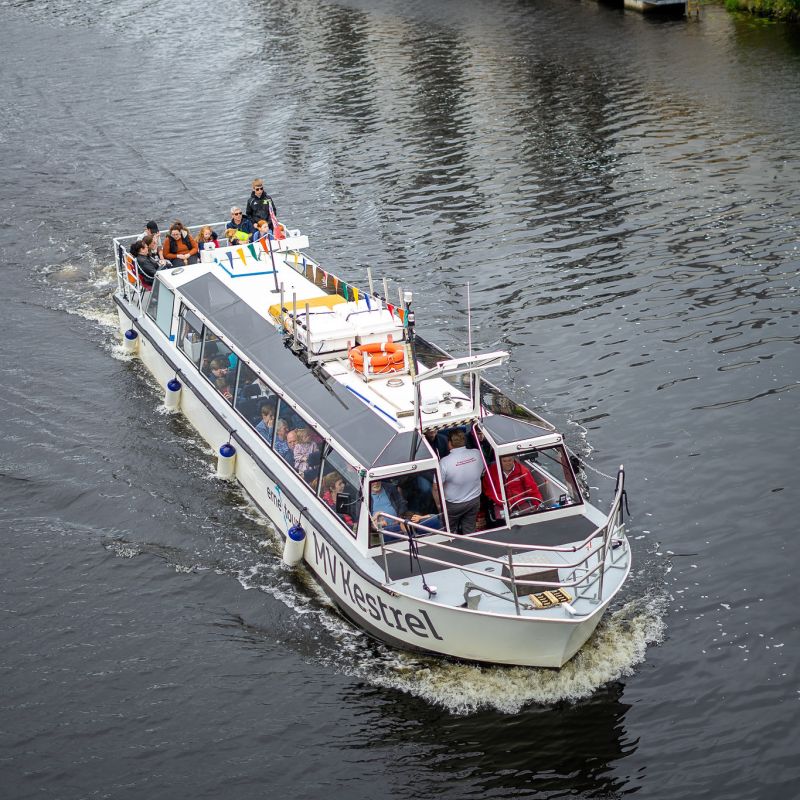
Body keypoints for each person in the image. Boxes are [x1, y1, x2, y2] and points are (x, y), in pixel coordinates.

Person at [436, 428, 484, 534]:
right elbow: (482, 471)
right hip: (474, 500)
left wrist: (440, 506)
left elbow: (436, 487)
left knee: (450, 531)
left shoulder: (444, 462)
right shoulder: (477, 453)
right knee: (470, 529)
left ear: (449, 443)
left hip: (453, 504)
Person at [370, 479, 440, 538]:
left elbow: (401, 502)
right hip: (382, 528)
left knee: (433, 520)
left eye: (377, 480)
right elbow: (364, 521)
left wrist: (400, 518)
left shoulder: (389, 487)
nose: (376, 483)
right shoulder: (364, 495)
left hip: (398, 523)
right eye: (373, 481)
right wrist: (375, 523)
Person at [482, 454, 543, 521]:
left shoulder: (523, 470)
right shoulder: (491, 472)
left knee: (529, 518)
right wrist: (503, 501)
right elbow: (489, 491)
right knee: (501, 522)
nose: (507, 463)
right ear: (499, 461)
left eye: (509, 460)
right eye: (504, 461)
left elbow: (532, 489)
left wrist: (538, 505)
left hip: (521, 502)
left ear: (513, 459)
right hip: (501, 504)